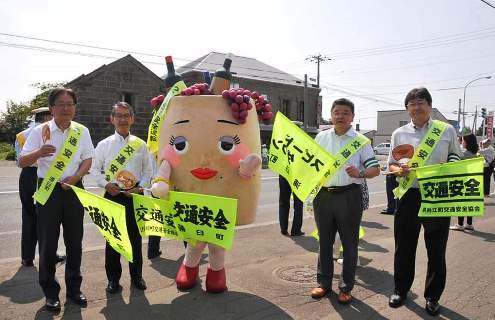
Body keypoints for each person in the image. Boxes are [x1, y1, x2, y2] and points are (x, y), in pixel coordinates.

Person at [387, 87, 462, 316]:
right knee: (404, 247)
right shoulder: (399, 133)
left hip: (437, 193)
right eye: (412, 103)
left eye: (421, 102)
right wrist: (398, 170)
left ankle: (432, 297)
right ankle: (400, 290)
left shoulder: (446, 130)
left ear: (430, 106)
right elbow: (391, 164)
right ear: (407, 108)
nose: (416, 106)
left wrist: (445, 167)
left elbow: (455, 157)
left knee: (436, 248)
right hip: (409, 194)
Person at [19, 88, 94, 312]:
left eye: (70, 104)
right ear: (51, 108)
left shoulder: (82, 131)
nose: (65, 108)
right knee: (48, 242)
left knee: (75, 242)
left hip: (73, 188)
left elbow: (87, 159)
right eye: (60, 104)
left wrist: (77, 177)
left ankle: (74, 289)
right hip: (48, 189)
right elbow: (22, 161)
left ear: (74, 107)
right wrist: (39, 153)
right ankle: (50, 293)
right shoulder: (39, 131)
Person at [310, 98, 380, 304]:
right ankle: (323, 284)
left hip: (350, 196)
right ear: (331, 115)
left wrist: (360, 172)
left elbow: (375, 169)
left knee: (349, 244)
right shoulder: (321, 137)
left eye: (345, 112)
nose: (340, 116)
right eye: (337, 112)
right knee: (324, 242)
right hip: (323, 196)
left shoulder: (361, 141)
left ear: (352, 116)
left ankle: (346, 287)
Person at [90, 102, 152, 293]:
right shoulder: (103, 144)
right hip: (112, 194)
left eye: (126, 115)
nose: (123, 119)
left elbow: (149, 171)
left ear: (132, 118)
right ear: (112, 119)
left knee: (135, 239)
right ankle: (113, 280)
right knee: (113, 239)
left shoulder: (140, 145)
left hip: (134, 195)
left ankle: (137, 277)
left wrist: (140, 187)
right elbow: (94, 169)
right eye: (119, 116)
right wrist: (106, 184)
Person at [15, 108, 66, 267]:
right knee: (48, 218)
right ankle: (50, 255)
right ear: (47, 117)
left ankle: (27, 257)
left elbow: (19, 161)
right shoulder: (50, 132)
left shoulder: (21, 135)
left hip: (27, 176)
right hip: (45, 176)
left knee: (29, 216)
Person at [450, 134, 479, 232]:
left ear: (467, 142)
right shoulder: (475, 153)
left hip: (463, 181)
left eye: (462, 141)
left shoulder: (464, 154)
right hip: (472, 181)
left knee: (461, 203)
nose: (462, 142)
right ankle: (469, 224)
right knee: (469, 202)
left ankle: (460, 224)